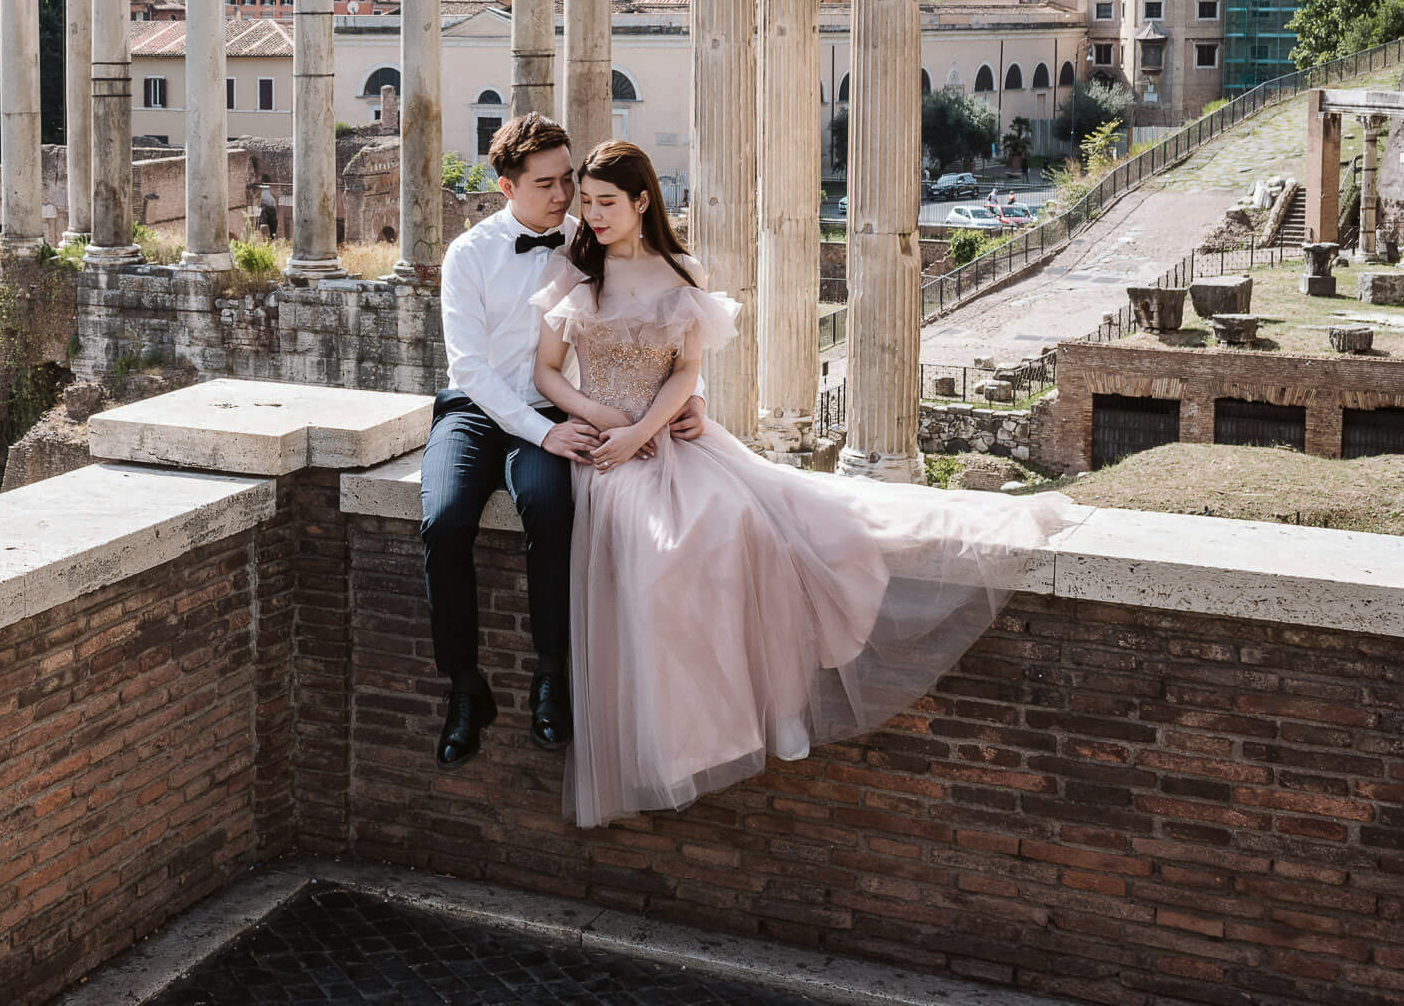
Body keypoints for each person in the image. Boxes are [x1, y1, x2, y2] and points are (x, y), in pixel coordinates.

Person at [530, 140, 1076, 827]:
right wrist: (598, 416)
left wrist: (649, 429)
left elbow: (685, 374)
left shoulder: (680, 271)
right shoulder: (575, 274)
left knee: (753, 526)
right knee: (664, 555)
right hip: (603, 453)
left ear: (643, 202)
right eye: (587, 203)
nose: (593, 216)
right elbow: (548, 371)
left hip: (669, 437)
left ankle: (774, 711)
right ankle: (683, 740)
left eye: (606, 203)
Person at [423, 113, 706, 771]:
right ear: (506, 187)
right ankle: (464, 688)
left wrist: (689, 400)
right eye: (548, 184)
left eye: (568, 182)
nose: (565, 198)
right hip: (474, 412)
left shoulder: (591, 239)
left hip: (558, 409)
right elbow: (469, 370)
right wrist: (543, 431)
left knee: (551, 510)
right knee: (443, 521)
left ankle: (552, 677)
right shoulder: (468, 255)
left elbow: (661, 323)